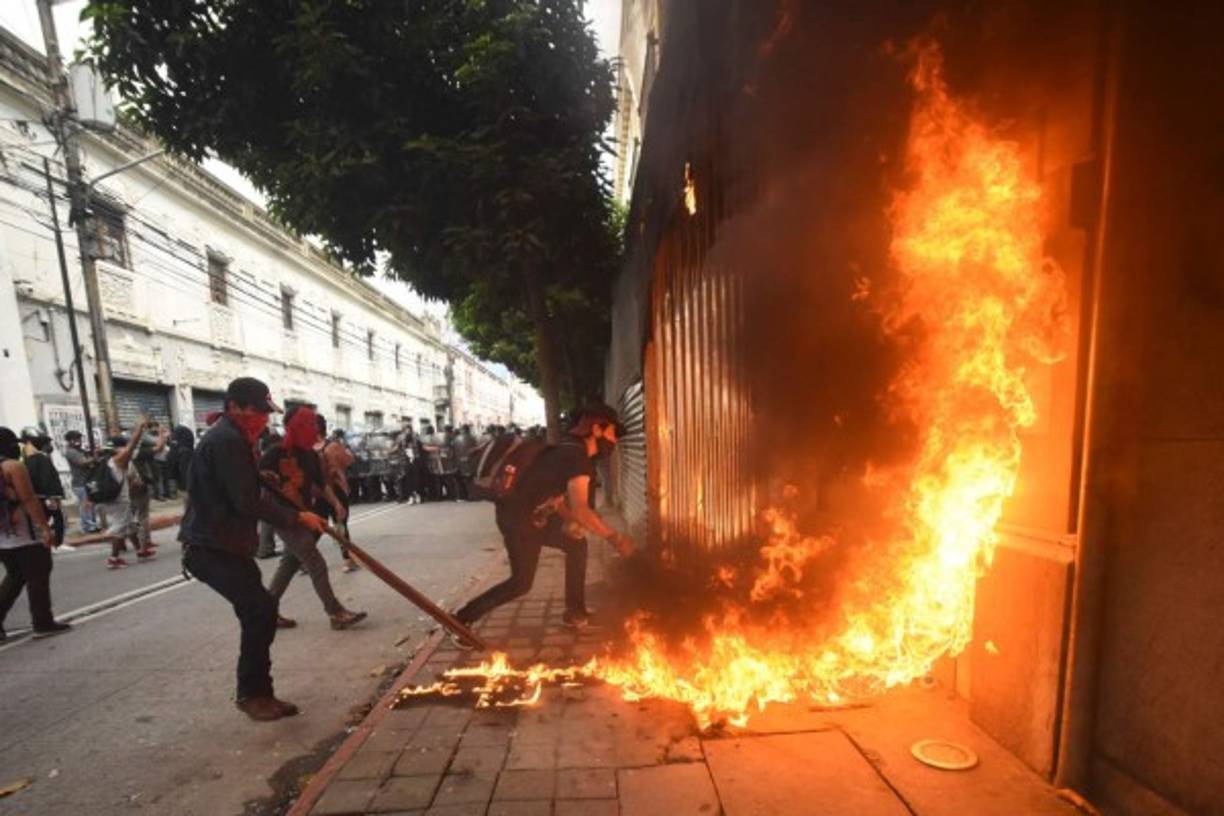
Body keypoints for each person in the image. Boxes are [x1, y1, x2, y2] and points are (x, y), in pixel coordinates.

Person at [179, 377, 327, 722]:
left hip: (227, 545)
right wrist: (296, 517)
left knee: (260, 611)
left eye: (264, 413)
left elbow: (246, 485)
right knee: (260, 610)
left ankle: (256, 691)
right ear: (234, 407)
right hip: (211, 546)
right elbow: (245, 501)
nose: (262, 419)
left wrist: (269, 485)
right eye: (256, 412)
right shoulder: (227, 439)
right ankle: (254, 694)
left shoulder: (236, 438)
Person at [453, 405, 636, 635]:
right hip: (519, 521)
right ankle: (460, 620)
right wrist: (615, 538)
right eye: (612, 432)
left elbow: (555, 497)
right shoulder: (577, 457)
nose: (615, 440)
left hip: (531, 516)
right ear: (597, 429)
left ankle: (575, 612)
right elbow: (582, 510)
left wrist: (569, 521)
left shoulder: (567, 448)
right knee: (521, 583)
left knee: (576, 543)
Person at [260, 406, 366, 631]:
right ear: (295, 428)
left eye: (314, 426)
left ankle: (266, 612)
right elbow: (260, 489)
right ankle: (335, 612)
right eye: (308, 425)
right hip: (284, 517)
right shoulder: (273, 454)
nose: (314, 430)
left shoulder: (310, 455)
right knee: (315, 562)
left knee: (290, 563)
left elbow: (320, 484)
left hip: (305, 514)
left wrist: (336, 503)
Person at [0, 427, 70, 641]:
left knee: (15, 575)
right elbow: (29, 499)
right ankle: (43, 622)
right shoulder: (12, 467)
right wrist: (45, 528)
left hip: (3, 535)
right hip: (24, 533)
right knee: (38, 574)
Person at [97, 423, 155, 569]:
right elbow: (132, 445)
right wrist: (139, 429)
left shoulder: (106, 461)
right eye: (123, 447)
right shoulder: (119, 460)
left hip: (109, 499)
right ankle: (114, 558)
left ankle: (140, 551)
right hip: (119, 500)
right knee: (120, 528)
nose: (126, 449)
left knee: (130, 525)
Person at [319, 423, 358, 572]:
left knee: (338, 524)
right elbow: (349, 460)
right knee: (335, 525)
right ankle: (347, 559)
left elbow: (349, 460)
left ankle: (347, 558)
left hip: (328, 490)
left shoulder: (328, 446)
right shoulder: (332, 446)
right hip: (326, 490)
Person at [20, 428, 66, 547]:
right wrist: (50, 496)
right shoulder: (39, 459)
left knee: (46, 519)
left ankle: (51, 542)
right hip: (45, 496)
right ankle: (55, 542)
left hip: (40, 496)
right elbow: (46, 479)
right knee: (55, 519)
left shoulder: (29, 459)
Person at [63, 430, 100, 534]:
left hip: (87, 481)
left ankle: (92, 524)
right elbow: (82, 462)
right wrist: (94, 458)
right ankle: (88, 526)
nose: (79, 441)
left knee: (91, 504)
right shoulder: (71, 452)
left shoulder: (79, 450)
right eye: (76, 439)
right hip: (80, 482)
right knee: (85, 505)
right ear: (70, 440)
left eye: (79, 438)